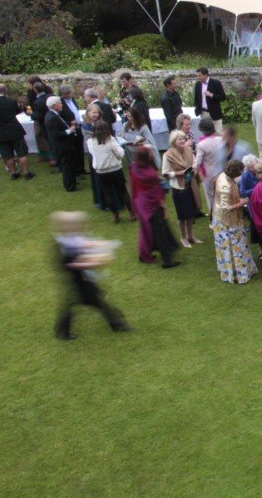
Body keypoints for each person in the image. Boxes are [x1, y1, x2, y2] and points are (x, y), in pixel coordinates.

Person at [51, 211, 130, 340]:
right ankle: (117, 324)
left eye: (73, 224)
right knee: (95, 301)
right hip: (77, 280)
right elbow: (72, 264)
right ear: (62, 227)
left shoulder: (71, 239)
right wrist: (96, 262)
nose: (73, 226)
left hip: (83, 279)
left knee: (83, 302)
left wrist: (105, 245)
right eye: (69, 224)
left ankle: (62, 331)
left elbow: (85, 244)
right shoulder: (62, 244)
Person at [210, 159, 259, 284]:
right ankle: (237, 273)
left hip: (225, 218)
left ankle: (235, 270)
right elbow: (225, 208)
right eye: (241, 171)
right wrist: (241, 203)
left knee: (234, 244)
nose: (242, 172)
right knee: (235, 246)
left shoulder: (223, 175)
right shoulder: (225, 187)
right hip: (227, 222)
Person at [130, 148, 179, 268]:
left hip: (140, 202)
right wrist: (163, 206)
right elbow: (155, 192)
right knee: (160, 232)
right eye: (150, 154)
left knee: (145, 230)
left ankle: (143, 254)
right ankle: (166, 261)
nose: (152, 155)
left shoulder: (134, 168)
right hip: (151, 206)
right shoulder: (149, 174)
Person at [86, 120, 134, 223]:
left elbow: (92, 153)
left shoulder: (90, 142)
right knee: (123, 191)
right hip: (114, 169)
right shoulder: (110, 140)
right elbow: (121, 153)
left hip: (101, 171)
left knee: (107, 193)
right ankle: (131, 213)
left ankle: (115, 215)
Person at [162, 130, 202, 247]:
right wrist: (179, 173)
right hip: (178, 188)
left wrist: (194, 168)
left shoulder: (188, 150)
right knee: (182, 215)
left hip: (191, 185)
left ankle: (191, 235)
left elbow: (194, 162)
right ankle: (183, 237)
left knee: (191, 213)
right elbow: (165, 173)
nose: (183, 141)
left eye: (184, 138)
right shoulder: (167, 155)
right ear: (174, 141)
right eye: (180, 139)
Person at [0, 85, 34, 180]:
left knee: (7, 155)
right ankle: (26, 172)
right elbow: (17, 111)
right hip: (14, 129)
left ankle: (13, 173)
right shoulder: (12, 101)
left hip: (1, 131)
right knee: (21, 152)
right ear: (6, 91)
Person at [45, 96, 79, 193]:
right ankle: (70, 186)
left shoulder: (53, 114)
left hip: (65, 145)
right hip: (63, 146)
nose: (62, 105)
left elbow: (60, 124)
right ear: (54, 105)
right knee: (67, 166)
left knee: (70, 164)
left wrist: (69, 122)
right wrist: (70, 130)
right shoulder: (51, 117)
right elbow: (56, 134)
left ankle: (72, 181)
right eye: (60, 103)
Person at [58, 85, 87, 176]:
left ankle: (81, 168)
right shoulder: (60, 102)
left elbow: (75, 111)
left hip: (78, 126)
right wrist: (70, 122)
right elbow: (60, 118)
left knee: (80, 148)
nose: (71, 94)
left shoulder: (72, 100)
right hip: (70, 128)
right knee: (73, 150)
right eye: (69, 93)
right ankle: (75, 170)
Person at [194, 67, 226, 133]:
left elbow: (223, 97)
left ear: (206, 75)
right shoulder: (198, 84)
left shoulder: (215, 83)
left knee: (218, 133)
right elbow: (196, 98)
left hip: (215, 112)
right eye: (197, 75)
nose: (198, 77)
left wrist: (211, 95)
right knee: (206, 133)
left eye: (200, 75)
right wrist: (198, 109)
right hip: (203, 113)